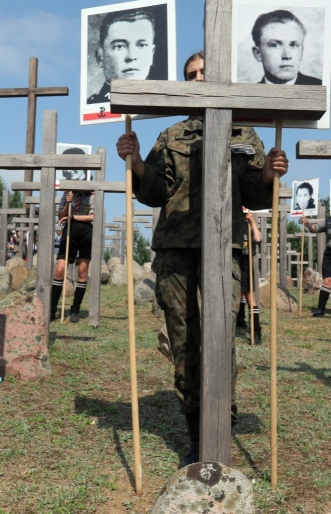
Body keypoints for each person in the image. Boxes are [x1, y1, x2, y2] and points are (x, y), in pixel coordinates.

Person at [115, 51, 289, 468]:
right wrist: (136, 162)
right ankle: (195, 430)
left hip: (223, 245)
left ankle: (220, 425)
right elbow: (156, 190)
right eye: (191, 75)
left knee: (220, 336)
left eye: (204, 72)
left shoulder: (244, 132)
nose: (198, 79)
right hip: (175, 246)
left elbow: (253, 192)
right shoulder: (171, 134)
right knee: (183, 336)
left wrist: (269, 173)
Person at [87, 9, 156, 104]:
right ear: (100, 57)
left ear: (151, 54)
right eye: (119, 46)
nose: (131, 56)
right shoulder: (94, 104)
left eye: (141, 45)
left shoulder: (162, 100)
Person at [49, 190, 94, 323]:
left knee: (82, 271)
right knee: (60, 270)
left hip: (86, 233)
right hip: (69, 232)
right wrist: (68, 203)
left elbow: (93, 217)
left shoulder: (92, 195)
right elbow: (61, 216)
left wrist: (74, 217)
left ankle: (75, 309)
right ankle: (52, 310)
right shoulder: (67, 193)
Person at [251, 9, 321, 85]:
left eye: (293, 45)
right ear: (257, 53)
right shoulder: (247, 94)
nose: (287, 56)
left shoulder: (321, 87)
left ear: (301, 52)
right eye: (275, 45)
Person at [236, 210, 262, 344]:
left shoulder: (249, 225)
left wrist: (252, 221)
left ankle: (256, 332)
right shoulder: (232, 221)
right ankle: (239, 319)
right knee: (237, 292)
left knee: (248, 295)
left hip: (245, 260)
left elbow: (258, 239)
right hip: (233, 259)